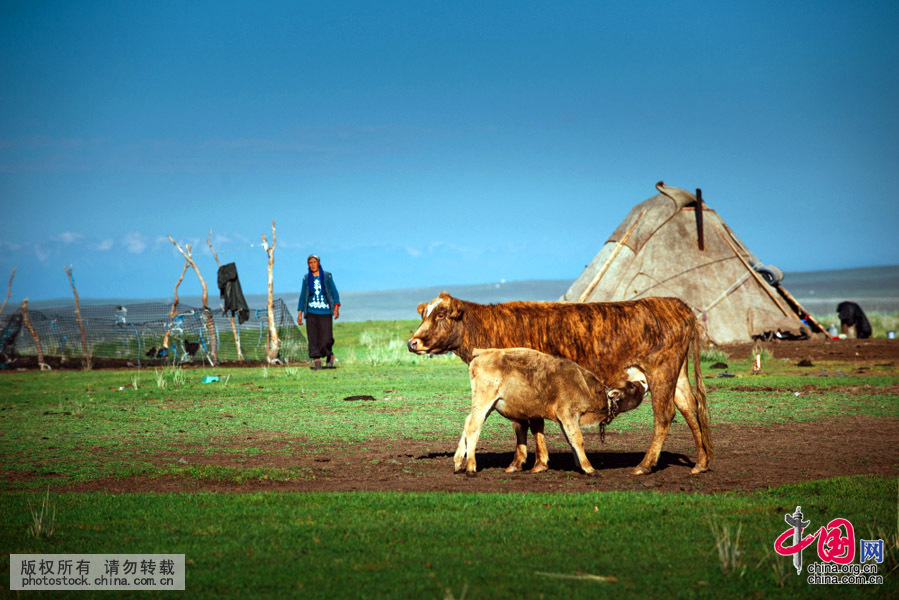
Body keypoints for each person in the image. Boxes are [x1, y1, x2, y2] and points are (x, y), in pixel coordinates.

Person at [297, 254, 340, 370]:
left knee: (327, 338)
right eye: (310, 263)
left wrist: (336, 308)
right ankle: (317, 361)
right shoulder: (306, 278)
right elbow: (302, 296)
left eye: (314, 262)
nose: (312, 265)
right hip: (311, 312)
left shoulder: (326, 276)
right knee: (313, 338)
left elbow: (334, 293)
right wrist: (300, 313)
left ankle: (329, 354)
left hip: (325, 311)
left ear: (319, 263)